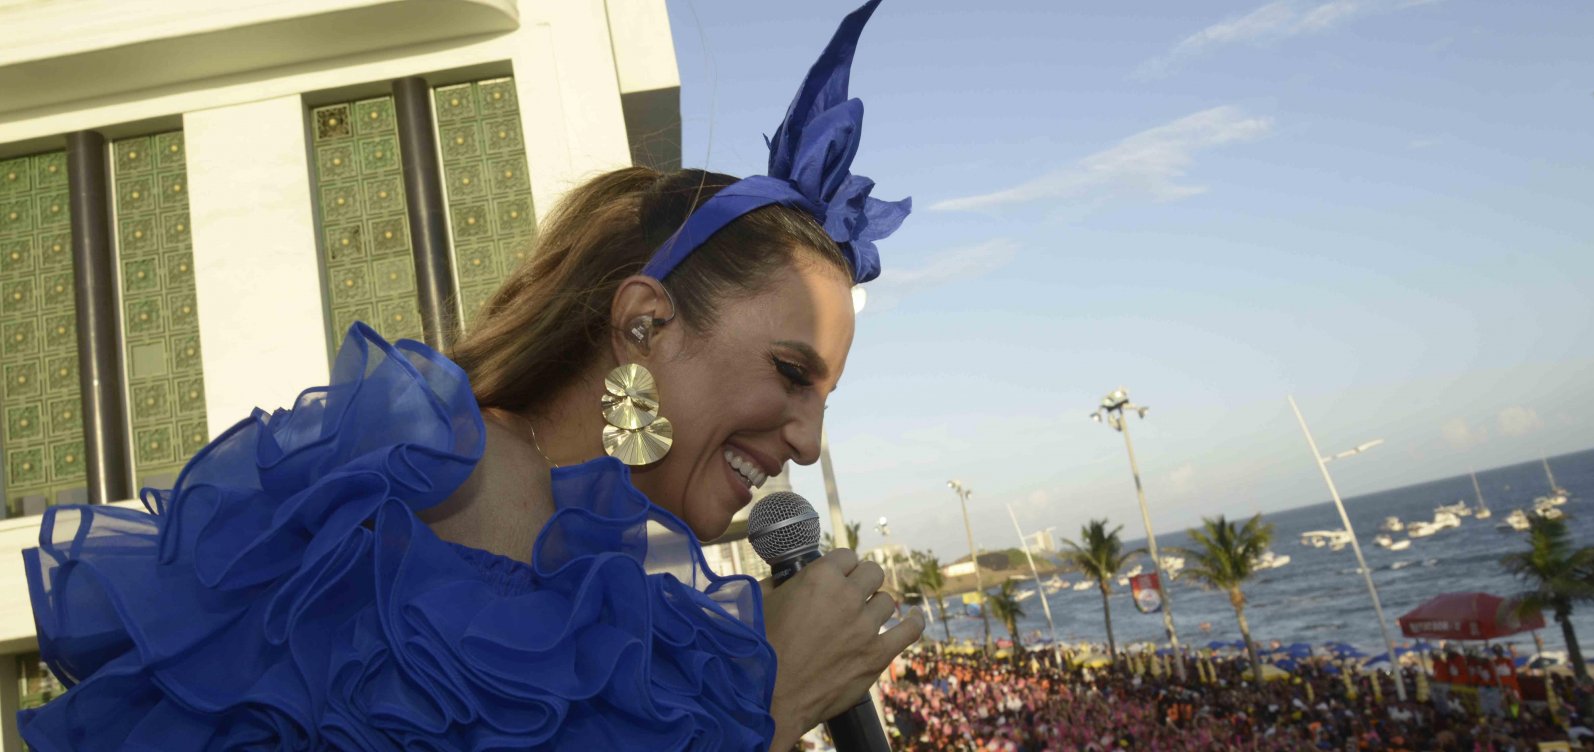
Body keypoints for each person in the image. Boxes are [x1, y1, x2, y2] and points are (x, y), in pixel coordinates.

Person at [17, 1, 921, 749]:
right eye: (791, 372)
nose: (806, 438)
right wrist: (769, 707)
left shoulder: (590, 554)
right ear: (645, 321)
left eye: (823, 398)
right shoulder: (458, 496)